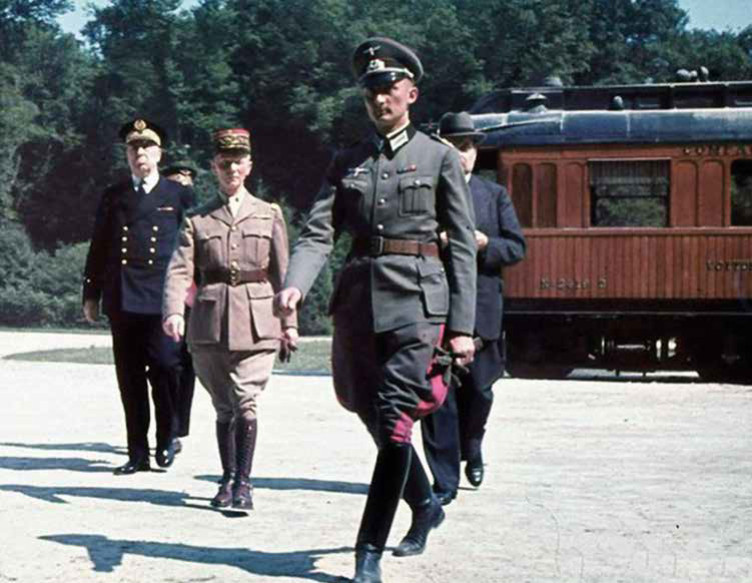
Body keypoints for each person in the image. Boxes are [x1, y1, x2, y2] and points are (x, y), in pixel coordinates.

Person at [274, 37, 477, 583]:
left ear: (411, 93)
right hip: (358, 306)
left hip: (417, 304)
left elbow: (461, 245)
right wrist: (295, 286)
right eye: (370, 91)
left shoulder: (438, 157)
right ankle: (425, 504)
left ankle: (368, 551)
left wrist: (462, 327)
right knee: (369, 411)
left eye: (388, 88)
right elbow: (318, 234)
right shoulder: (347, 161)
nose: (379, 99)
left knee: (394, 419)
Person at [162, 128, 297, 510]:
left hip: (258, 323)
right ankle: (227, 479)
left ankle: (245, 482)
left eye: (238, 162)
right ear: (214, 166)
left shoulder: (269, 214)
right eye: (224, 163)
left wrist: (290, 324)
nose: (231, 169)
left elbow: (283, 275)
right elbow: (179, 270)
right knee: (224, 406)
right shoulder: (197, 219)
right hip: (210, 324)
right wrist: (174, 311)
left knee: (246, 400)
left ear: (249, 166)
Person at [422, 112, 526, 504]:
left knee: (479, 391)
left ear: (476, 153)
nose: (461, 155)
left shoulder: (493, 195)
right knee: (438, 396)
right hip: (435, 306)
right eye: (454, 147)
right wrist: (438, 240)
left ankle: (473, 445)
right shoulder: (426, 195)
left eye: (467, 147)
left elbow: (516, 247)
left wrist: (485, 245)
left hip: (483, 308)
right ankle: (444, 479)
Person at [82, 118, 195, 475]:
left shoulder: (178, 194)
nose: (140, 153)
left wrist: (194, 294)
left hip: (164, 297)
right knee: (129, 377)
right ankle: (137, 452)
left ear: (159, 153)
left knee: (166, 366)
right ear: (126, 153)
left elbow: (193, 248)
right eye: (133, 147)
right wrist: (91, 293)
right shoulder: (114, 195)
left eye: (146, 146)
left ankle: (167, 436)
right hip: (123, 296)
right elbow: (99, 245)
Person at [162, 160, 199, 454]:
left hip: (192, 299)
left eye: (187, 183)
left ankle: (176, 427)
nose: (183, 187)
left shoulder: (198, 215)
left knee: (186, 365)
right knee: (167, 364)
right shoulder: (159, 215)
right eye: (176, 183)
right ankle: (168, 428)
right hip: (162, 298)